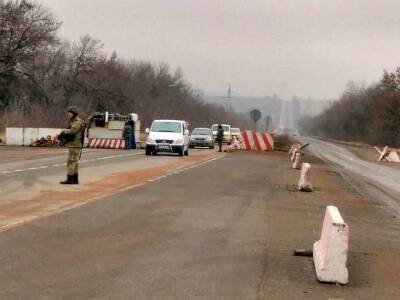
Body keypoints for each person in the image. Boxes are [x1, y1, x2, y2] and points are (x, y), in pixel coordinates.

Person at [60, 106, 85, 184]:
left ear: (74, 113)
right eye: (68, 113)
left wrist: (63, 131)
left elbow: (72, 131)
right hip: (74, 144)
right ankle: (74, 179)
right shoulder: (73, 121)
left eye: (70, 113)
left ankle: (69, 179)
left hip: (75, 144)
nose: (68, 114)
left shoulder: (77, 122)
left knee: (71, 161)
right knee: (74, 162)